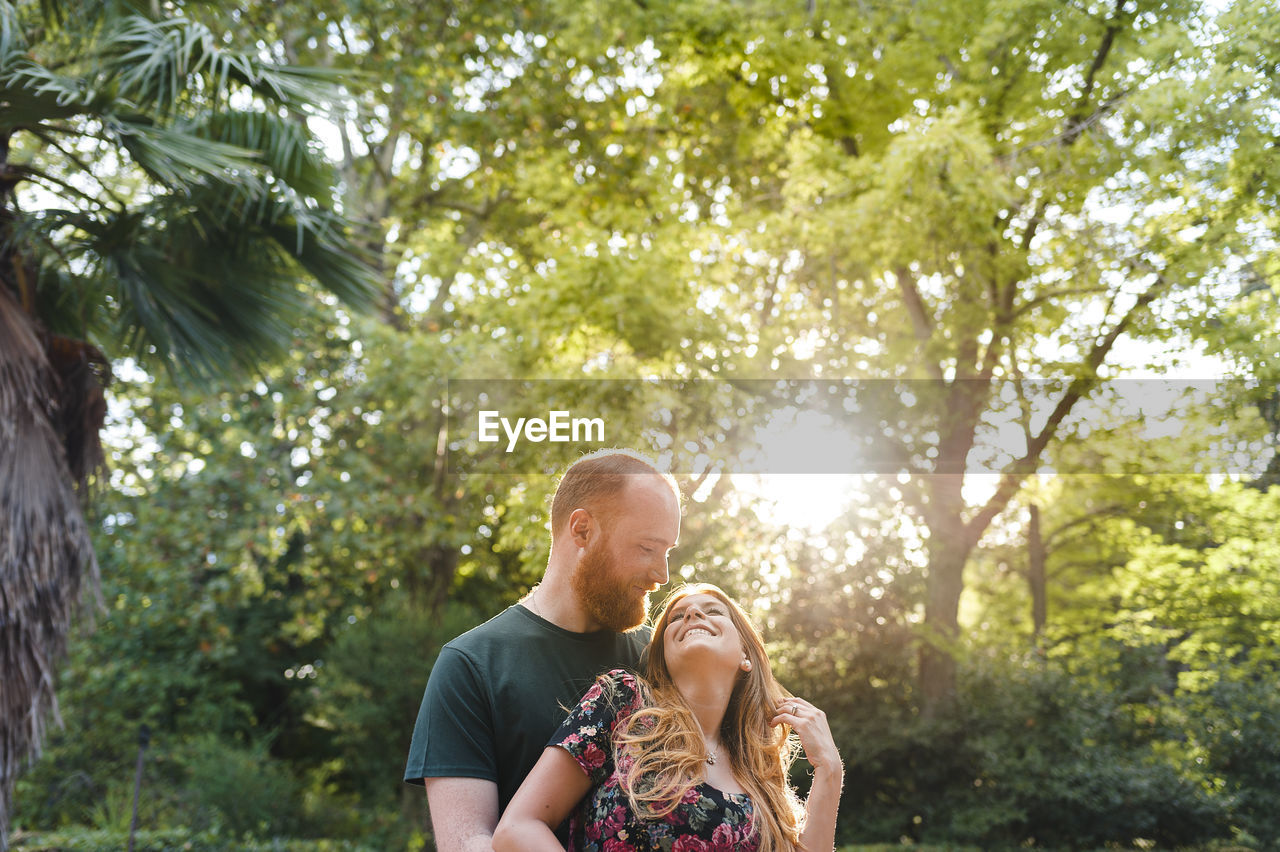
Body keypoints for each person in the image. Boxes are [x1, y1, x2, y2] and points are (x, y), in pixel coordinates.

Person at [403, 449, 682, 852]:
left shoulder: (661, 659)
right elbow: (468, 843)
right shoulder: (471, 665)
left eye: (667, 552)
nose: (662, 575)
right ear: (582, 530)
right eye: (646, 548)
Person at [494, 583, 843, 852]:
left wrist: (829, 770)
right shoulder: (623, 702)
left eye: (712, 610)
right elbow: (518, 828)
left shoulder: (758, 773)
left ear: (745, 655)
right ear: (663, 658)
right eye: (678, 616)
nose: (692, 615)